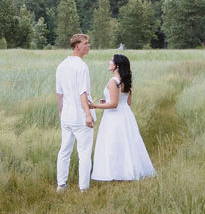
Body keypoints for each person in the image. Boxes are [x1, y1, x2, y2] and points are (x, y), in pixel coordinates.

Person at [89, 53, 155, 181]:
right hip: (126, 115)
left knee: (113, 143)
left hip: (114, 117)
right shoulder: (126, 81)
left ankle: (114, 173)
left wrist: (94, 105)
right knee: (127, 143)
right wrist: (107, 101)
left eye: (111, 61)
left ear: (117, 65)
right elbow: (127, 102)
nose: (109, 62)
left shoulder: (113, 81)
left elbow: (113, 104)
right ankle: (128, 171)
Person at [55, 33, 94, 192]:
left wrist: (60, 113)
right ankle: (83, 188)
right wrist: (88, 114)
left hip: (67, 115)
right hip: (80, 117)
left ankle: (61, 184)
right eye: (86, 43)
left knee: (64, 150)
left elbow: (59, 94)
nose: (88, 46)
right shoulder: (81, 66)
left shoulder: (61, 65)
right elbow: (82, 93)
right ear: (77, 46)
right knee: (84, 152)